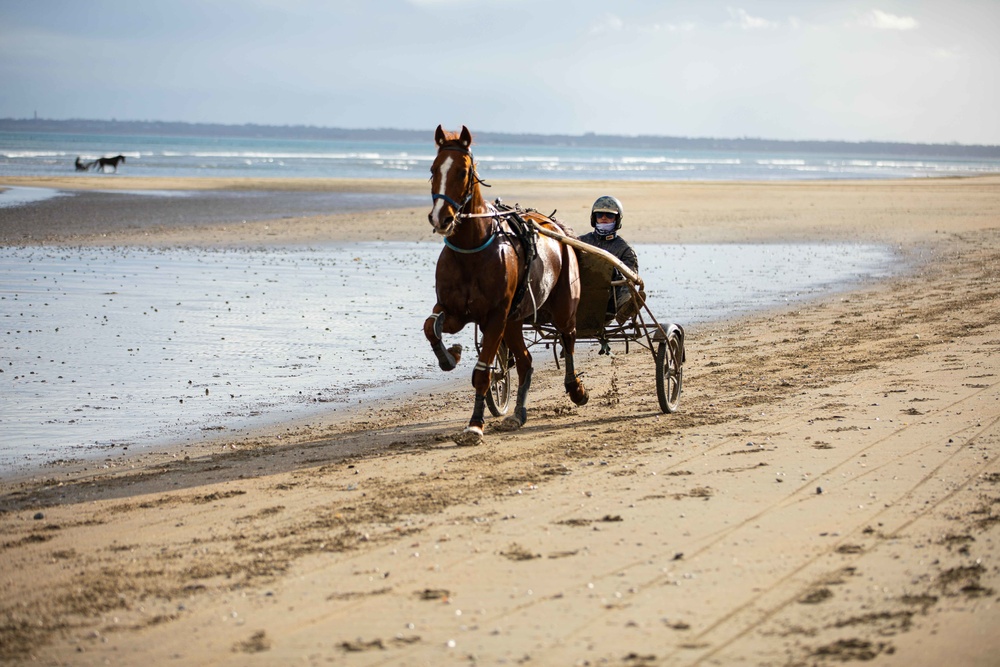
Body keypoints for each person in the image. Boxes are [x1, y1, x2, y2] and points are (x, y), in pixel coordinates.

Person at [579, 195, 641, 354]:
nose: (604, 218)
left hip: (608, 303)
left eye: (609, 215)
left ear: (617, 219)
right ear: (594, 218)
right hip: (579, 299)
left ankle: (626, 307)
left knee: (624, 278)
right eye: (600, 215)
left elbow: (632, 277)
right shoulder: (580, 242)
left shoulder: (625, 250)